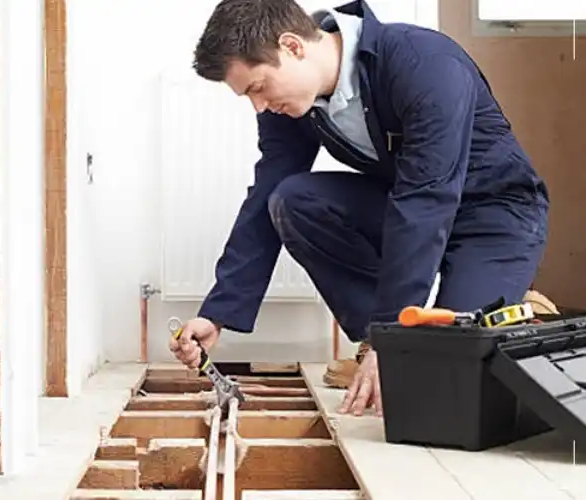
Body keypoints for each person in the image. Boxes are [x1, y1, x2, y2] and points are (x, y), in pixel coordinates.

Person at [168, 0, 549, 416]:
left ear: (292, 46)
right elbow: (266, 195)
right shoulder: (291, 105)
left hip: (493, 215)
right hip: (407, 203)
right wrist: (218, 313)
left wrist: (393, 336)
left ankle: (517, 310)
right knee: (293, 201)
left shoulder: (423, 63)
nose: (258, 106)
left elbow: (425, 203)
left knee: (450, 384)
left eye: (258, 88)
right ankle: (379, 347)